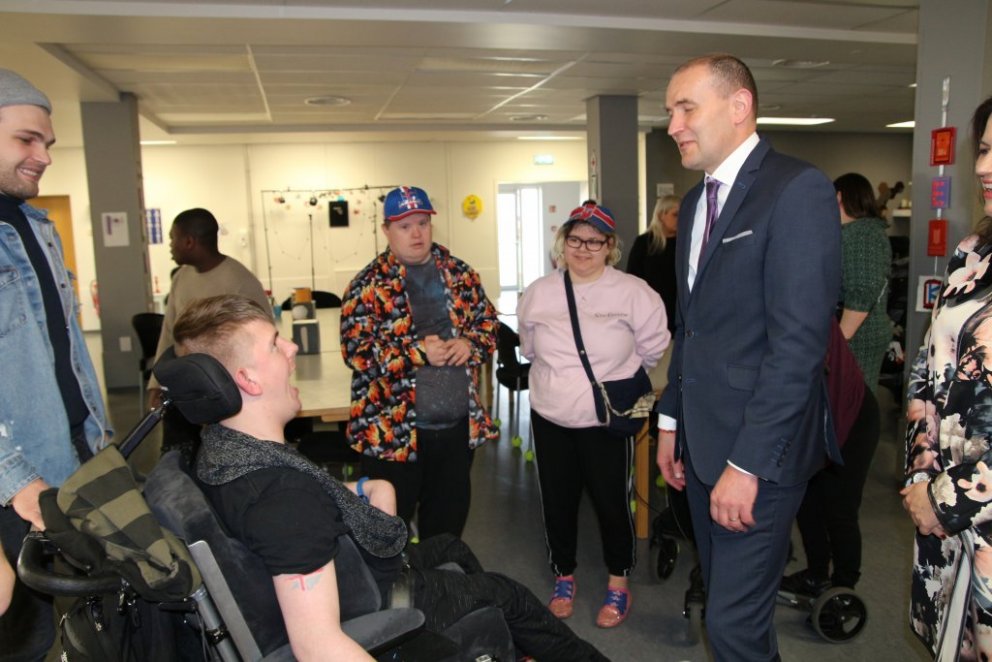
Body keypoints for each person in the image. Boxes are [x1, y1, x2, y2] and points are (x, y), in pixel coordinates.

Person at [173, 294, 608, 662]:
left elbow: (298, 507)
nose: (291, 348)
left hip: (358, 571)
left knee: (451, 546)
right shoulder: (282, 499)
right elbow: (318, 647)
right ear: (247, 379)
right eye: (274, 344)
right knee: (507, 594)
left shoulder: (226, 449)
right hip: (376, 599)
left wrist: (364, 487)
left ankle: (496, 639)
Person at [655, 54, 841, 661]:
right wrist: (670, 420)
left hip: (758, 453)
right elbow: (691, 327)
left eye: (686, 108)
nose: (673, 125)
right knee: (737, 619)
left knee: (732, 626)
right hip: (701, 440)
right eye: (670, 112)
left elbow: (798, 347)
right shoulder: (695, 202)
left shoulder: (796, 189)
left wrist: (747, 464)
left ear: (739, 107)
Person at [0, 68, 111, 661]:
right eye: (26, 139)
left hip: (64, 465)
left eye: (47, 143)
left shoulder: (37, 228)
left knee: (49, 628)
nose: (43, 155)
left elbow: (66, 357)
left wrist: (101, 447)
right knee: (18, 635)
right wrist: (16, 482)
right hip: (12, 481)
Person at [518, 202, 669, 628]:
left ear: (610, 246)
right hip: (551, 415)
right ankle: (563, 576)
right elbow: (529, 348)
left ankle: (619, 582)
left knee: (611, 502)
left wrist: (617, 374)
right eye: (575, 239)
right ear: (562, 242)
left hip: (607, 419)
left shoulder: (634, 292)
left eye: (594, 241)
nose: (583, 249)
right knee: (557, 501)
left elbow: (654, 345)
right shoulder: (539, 292)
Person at [340, 185, 498, 539]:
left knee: (446, 529)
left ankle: (438, 575)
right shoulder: (367, 285)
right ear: (386, 230)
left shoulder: (460, 274)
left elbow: (488, 324)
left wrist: (470, 344)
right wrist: (418, 352)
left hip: (455, 429)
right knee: (388, 533)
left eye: (423, 223)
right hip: (392, 436)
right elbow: (356, 351)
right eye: (405, 226)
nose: (416, 234)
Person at [902, 94, 992, 659]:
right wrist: (921, 476)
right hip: (950, 516)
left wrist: (945, 499)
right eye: (983, 150)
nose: (984, 166)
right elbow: (926, 370)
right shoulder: (972, 255)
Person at [781, 172, 890, 595]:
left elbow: (861, 295)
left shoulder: (863, 234)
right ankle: (817, 571)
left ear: (839, 196)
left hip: (849, 395)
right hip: (826, 395)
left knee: (838, 503)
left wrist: (830, 351)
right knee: (810, 494)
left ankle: (843, 584)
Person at [146, 207, 270, 461]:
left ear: (189, 241)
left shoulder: (239, 281)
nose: (170, 246)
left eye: (173, 238)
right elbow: (169, 331)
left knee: (218, 460)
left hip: (226, 391)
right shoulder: (181, 278)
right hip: (183, 387)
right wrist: (156, 382)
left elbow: (265, 338)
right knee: (178, 459)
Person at [627, 194, 680, 334]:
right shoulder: (644, 243)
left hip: (678, 314)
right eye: (675, 215)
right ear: (661, 215)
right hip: (651, 313)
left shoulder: (685, 243)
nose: (680, 219)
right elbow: (633, 278)